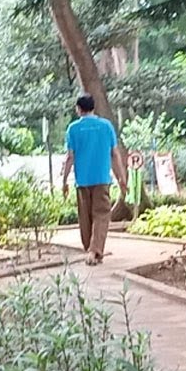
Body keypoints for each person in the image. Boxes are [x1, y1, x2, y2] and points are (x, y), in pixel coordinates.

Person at [61, 93, 128, 266]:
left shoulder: (73, 129)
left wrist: (64, 181)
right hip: (101, 179)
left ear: (78, 109)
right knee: (101, 215)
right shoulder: (106, 126)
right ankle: (94, 250)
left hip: (82, 180)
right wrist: (121, 177)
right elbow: (114, 154)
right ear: (93, 107)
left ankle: (91, 250)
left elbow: (70, 157)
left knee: (85, 217)